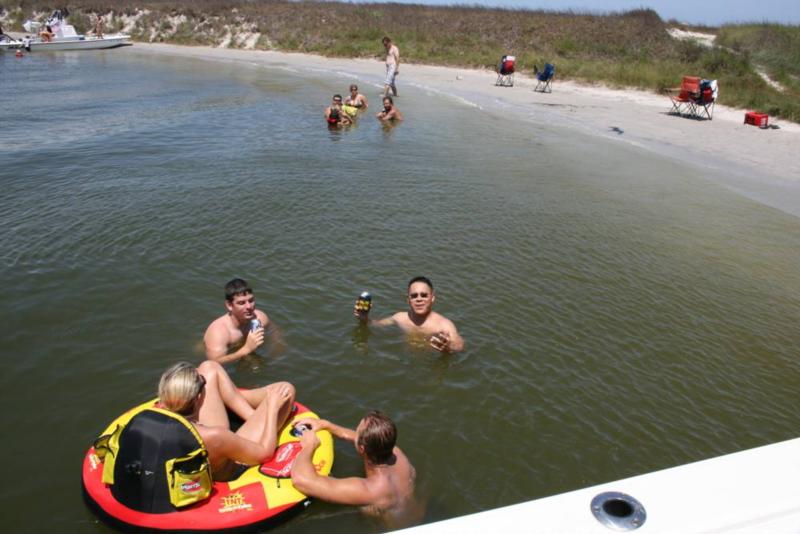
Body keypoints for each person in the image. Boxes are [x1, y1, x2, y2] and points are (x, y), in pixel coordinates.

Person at [159, 361, 295, 481]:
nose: (204, 382)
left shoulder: (158, 418)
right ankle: (252, 409)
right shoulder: (215, 436)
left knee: (209, 367)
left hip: (209, 448)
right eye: (202, 383)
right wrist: (272, 409)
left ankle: (245, 408)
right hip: (232, 465)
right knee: (286, 389)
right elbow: (265, 454)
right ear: (199, 397)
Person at [291, 411, 421, 529]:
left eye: (357, 431)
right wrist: (327, 425)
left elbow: (301, 480)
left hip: (393, 529)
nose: (354, 433)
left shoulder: (370, 490)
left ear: (362, 449)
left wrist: (309, 446)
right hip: (418, 519)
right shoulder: (398, 455)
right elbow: (358, 438)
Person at [354, 276, 463, 352]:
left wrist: (448, 347)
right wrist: (364, 318)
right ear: (408, 300)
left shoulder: (444, 325)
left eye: (424, 295)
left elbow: (460, 347)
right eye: (414, 296)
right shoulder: (399, 318)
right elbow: (377, 325)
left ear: (432, 298)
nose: (419, 299)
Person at [204, 278, 280, 364]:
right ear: (229, 305)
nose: (249, 306)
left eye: (251, 300)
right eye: (241, 303)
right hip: (218, 347)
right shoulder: (218, 332)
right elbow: (213, 362)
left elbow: (275, 333)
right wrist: (246, 349)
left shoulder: (260, 317)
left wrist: (274, 356)